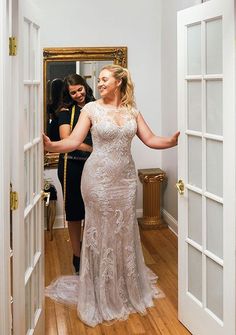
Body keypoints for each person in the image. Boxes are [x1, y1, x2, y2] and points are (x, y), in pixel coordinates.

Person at [44, 64, 180, 327]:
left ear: (119, 82)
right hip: (98, 180)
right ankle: (98, 289)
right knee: (101, 230)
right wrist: (52, 146)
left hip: (125, 180)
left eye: (104, 79)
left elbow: (151, 139)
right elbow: (73, 141)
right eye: (99, 79)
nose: (100, 83)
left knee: (123, 231)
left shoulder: (132, 111)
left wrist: (174, 141)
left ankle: (123, 284)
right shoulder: (91, 110)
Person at [57, 74, 95, 273]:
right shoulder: (65, 112)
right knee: (74, 212)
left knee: (92, 210)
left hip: (95, 166)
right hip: (70, 167)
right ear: (68, 94)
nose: (78, 94)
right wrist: (90, 148)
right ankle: (77, 255)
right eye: (73, 92)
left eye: (80, 90)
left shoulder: (97, 107)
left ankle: (91, 251)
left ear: (85, 87)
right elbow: (66, 140)